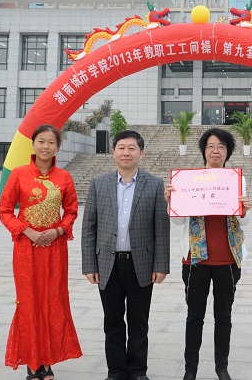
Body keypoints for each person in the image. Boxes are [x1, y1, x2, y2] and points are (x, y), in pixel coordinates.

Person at [81, 130, 170, 380]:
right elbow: (89, 226)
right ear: (114, 153)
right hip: (107, 264)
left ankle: (138, 371)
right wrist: (89, 265)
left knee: (139, 322)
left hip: (141, 264)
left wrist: (161, 265)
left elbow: (161, 227)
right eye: (121, 148)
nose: (126, 153)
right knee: (112, 323)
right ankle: (116, 371)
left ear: (142, 153)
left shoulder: (155, 184)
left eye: (132, 148)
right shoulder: (99, 183)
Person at [164, 128, 251, 380]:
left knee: (223, 317)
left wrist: (245, 209)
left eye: (221, 147)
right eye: (211, 146)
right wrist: (171, 202)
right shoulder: (188, 181)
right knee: (194, 317)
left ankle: (221, 367)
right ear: (204, 150)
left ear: (228, 152)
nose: (216, 151)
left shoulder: (237, 180)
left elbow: (244, 222)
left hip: (227, 260)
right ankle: (190, 369)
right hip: (195, 260)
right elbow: (178, 223)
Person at [0, 124, 82, 380]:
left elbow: (71, 211)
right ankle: (32, 361)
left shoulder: (64, 177)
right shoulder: (19, 174)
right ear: (33, 144)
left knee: (53, 302)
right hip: (26, 249)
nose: (46, 146)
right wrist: (27, 231)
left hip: (55, 249)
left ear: (58, 147)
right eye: (41, 141)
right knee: (29, 302)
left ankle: (47, 360)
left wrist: (58, 231)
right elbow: (5, 211)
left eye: (51, 142)